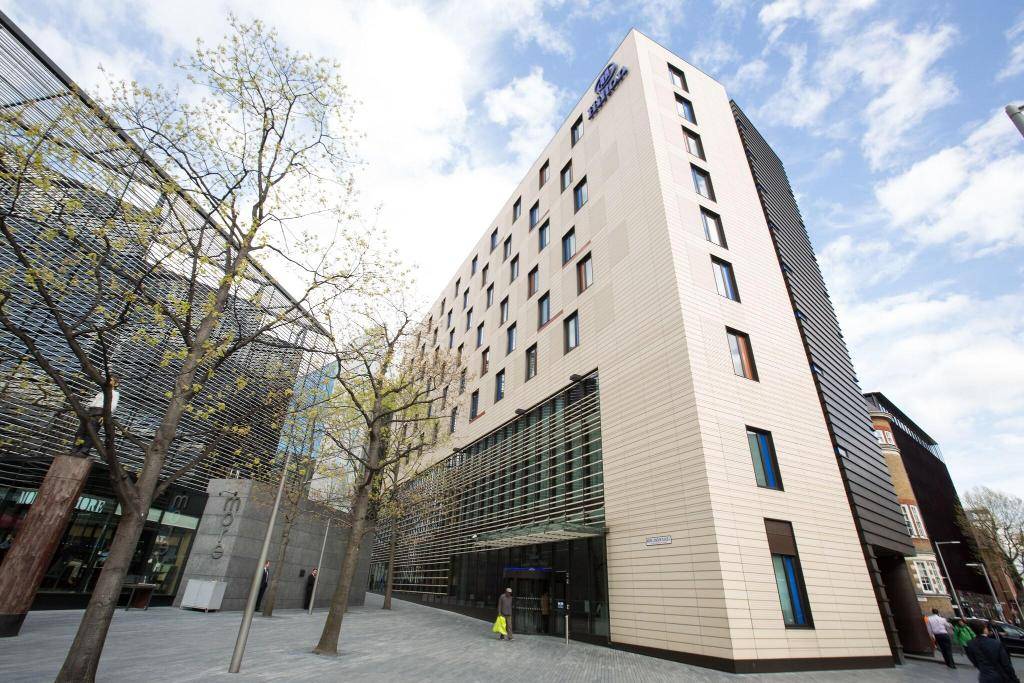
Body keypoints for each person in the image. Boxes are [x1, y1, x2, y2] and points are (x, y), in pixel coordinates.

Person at [73, 376, 120, 456]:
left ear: (116, 384)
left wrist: (105, 416)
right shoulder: (101, 392)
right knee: (81, 431)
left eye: (111, 380)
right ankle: (75, 448)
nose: (108, 381)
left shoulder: (115, 394)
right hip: (90, 411)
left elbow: (113, 405)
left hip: (100, 412)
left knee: (91, 432)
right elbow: (93, 402)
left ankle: (84, 450)